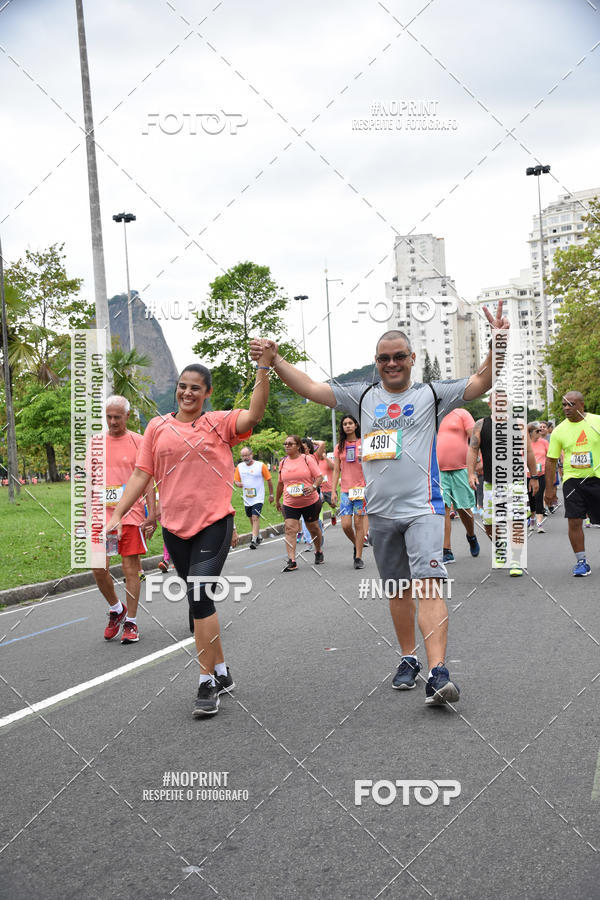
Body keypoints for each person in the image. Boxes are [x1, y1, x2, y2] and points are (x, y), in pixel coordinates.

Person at [251, 302, 509, 706]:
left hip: (424, 508)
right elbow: (311, 388)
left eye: (399, 357)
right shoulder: (362, 395)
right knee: (397, 589)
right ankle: (408, 658)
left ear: (412, 359)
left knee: (429, 584)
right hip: (381, 513)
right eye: (385, 359)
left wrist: (499, 342)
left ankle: (438, 671)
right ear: (376, 362)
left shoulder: (431, 393)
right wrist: (276, 360)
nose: (392, 364)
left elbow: (481, 382)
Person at [106, 351, 272, 717]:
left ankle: (205, 681)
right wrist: (118, 512)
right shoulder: (157, 427)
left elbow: (254, 413)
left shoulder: (219, 423)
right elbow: (140, 474)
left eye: (195, 388)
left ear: (207, 393)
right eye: (182, 386)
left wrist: (263, 369)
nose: (187, 393)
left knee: (199, 594)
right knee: (198, 601)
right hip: (174, 529)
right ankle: (224, 671)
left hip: (213, 522)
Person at [89, 395, 156, 645]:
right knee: (98, 568)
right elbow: (90, 482)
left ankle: (132, 622)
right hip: (102, 517)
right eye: (109, 416)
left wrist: (152, 514)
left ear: (128, 416)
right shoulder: (95, 444)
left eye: (118, 416)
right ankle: (117, 609)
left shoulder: (139, 442)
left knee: (130, 569)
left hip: (131, 515)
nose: (113, 421)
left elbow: (147, 480)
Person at [467, 413, 538, 575]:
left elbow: (528, 451)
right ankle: (501, 547)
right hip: (491, 482)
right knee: (490, 523)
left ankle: (516, 559)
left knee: (516, 520)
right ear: (490, 404)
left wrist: (533, 477)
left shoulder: (518, 423)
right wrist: (470, 473)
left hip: (516, 482)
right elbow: (473, 450)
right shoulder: (481, 424)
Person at [544, 391, 600, 577]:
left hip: (597, 478)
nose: (567, 408)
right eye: (564, 405)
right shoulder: (559, 430)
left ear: (582, 405)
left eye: (571, 404)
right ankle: (581, 561)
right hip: (573, 480)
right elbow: (551, 460)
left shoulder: (596, 422)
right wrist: (550, 489)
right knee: (574, 521)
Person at [436, 407, 480, 564]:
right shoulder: (432, 413)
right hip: (439, 471)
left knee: (464, 509)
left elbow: (475, 438)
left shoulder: (461, 412)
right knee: (443, 509)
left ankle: (471, 535)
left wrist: (477, 462)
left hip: (461, 468)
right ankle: (446, 549)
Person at [276, 435, 324, 571]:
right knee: (290, 528)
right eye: (285, 444)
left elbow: (319, 477)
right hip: (290, 502)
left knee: (313, 527)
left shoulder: (307, 459)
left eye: (290, 444)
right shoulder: (283, 463)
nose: (287, 446)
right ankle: (292, 560)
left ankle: (318, 550)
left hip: (310, 502)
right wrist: (277, 500)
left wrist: (313, 487)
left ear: (298, 446)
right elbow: (280, 483)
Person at [331, 415, 368, 569]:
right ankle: (357, 544)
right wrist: (333, 490)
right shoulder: (339, 447)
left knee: (359, 523)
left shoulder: (364, 443)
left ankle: (358, 557)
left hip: (361, 490)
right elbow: (336, 470)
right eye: (345, 424)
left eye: (350, 423)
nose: (347, 426)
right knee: (346, 525)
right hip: (346, 491)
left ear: (356, 425)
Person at [233, 446, 274, 549]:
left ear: (252, 454)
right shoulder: (240, 467)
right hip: (247, 498)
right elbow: (236, 480)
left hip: (258, 498)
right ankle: (258, 536)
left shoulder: (260, 466)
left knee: (255, 517)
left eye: (247, 455)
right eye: (243, 456)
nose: (245, 458)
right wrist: (237, 484)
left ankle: (253, 540)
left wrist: (271, 495)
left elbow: (269, 480)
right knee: (251, 518)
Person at [527, 423, 548, 533]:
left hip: (541, 474)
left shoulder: (544, 442)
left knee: (539, 497)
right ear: (530, 433)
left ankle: (540, 523)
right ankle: (532, 518)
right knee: (531, 499)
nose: (540, 432)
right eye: (537, 431)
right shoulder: (524, 443)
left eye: (541, 430)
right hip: (527, 475)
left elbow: (550, 457)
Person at [314, 442, 337, 524]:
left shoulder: (328, 460)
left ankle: (333, 514)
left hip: (329, 487)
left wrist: (326, 458)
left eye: (324, 451)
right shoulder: (315, 461)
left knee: (333, 504)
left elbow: (334, 467)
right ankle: (321, 521)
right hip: (320, 488)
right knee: (320, 506)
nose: (322, 452)